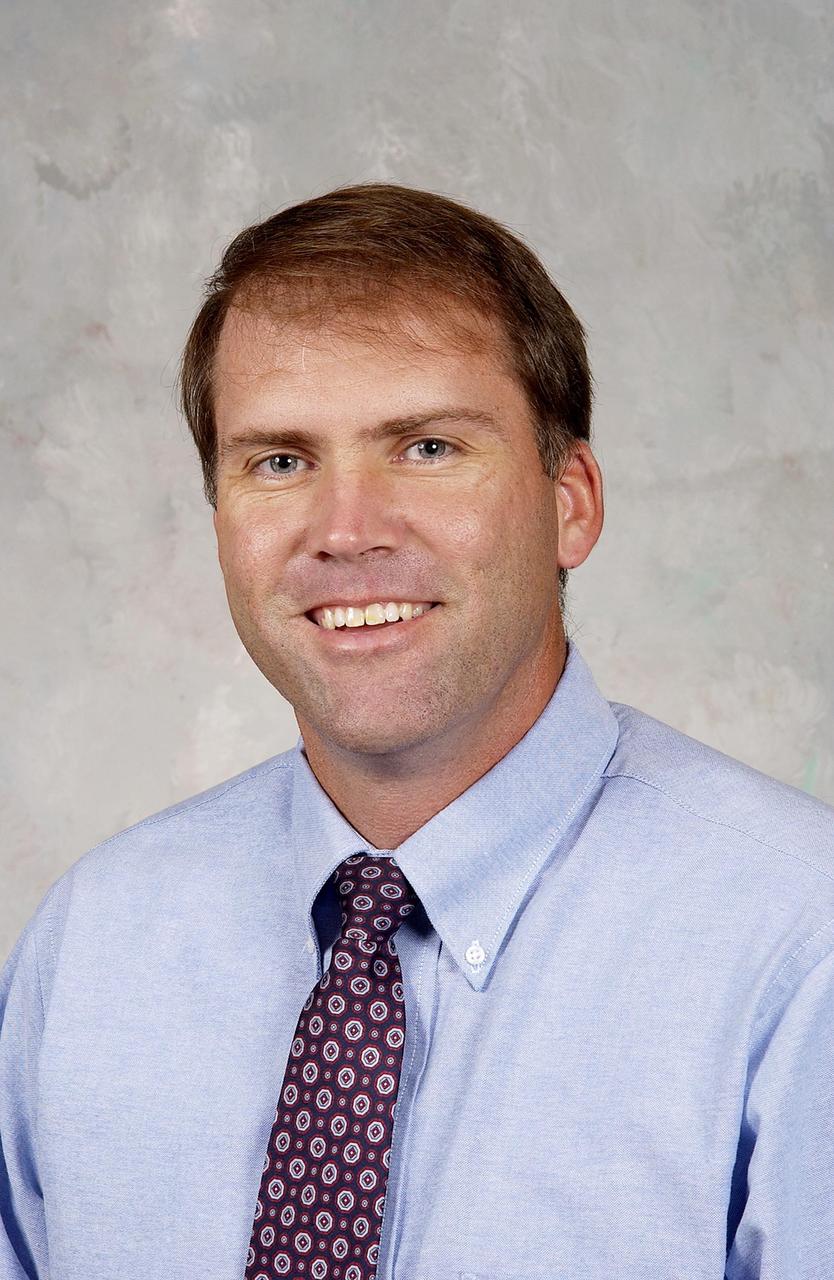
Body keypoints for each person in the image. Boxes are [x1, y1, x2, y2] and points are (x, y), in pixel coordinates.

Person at [1, 182, 832, 1280]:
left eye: (427, 447)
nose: (347, 531)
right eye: (281, 461)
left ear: (570, 501)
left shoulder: (798, 945)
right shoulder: (98, 946)